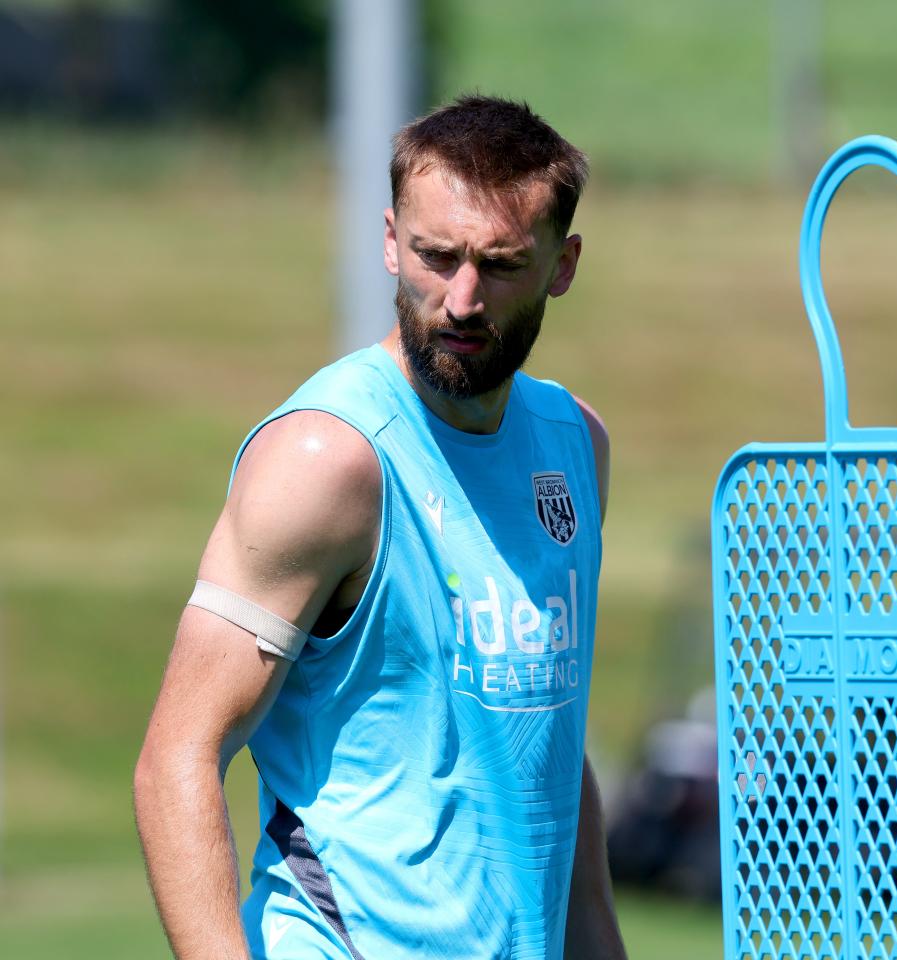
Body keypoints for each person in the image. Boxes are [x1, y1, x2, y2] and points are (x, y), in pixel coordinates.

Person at [133, 95, 627, 959]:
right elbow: (178, 756)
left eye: (501, 264)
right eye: (436, 257)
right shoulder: (329, 460)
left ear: (564, 263)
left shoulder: (575, 446)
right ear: (391, 241)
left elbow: (550, 743)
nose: (462, 299)